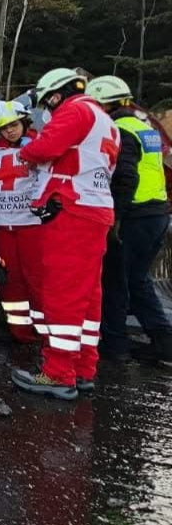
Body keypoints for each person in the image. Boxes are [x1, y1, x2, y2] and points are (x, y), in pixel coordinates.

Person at [11, 68, 120, 400]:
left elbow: (44, 148)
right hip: (95, 211)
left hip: (71, 211)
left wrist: (25, 153)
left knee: (62, 292)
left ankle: (58, 374)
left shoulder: (75, 111)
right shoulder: (106, 121)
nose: (47, 111)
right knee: (88, 296)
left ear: (56, 95)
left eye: (47, 103)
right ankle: (83, 368)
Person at [85, 75, 172, 366]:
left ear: (104, 105)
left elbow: (125, 178)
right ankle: (164, 343)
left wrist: (115, 219)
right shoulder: (144, 127)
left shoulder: (119, 130)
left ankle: (115, 345)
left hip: (133, 216)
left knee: (115, 281)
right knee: (138, 280)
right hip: (157, 213)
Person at [0, 100, 43, 343]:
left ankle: (46, 331)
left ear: (24, 122)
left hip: (33, 227)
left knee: (37, 279)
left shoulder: (40, 147)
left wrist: (37, 151)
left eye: (13, 125)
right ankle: (20, 332)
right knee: (9, 280)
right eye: (4, 128)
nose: (9, 131)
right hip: (4, 228)